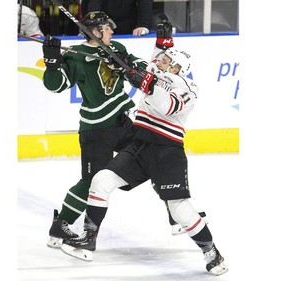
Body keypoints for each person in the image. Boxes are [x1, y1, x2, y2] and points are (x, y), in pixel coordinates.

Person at [60, 16, 228, 276]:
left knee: (180, 210)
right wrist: (162, 39)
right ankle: (89, 239)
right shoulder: (158, 72)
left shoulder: (188, 87)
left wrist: (146, 83)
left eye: (164, 60)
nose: (157, 61)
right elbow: (153, 65)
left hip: (166, 153)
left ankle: (212, 253)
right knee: (101, 179)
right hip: (138, 147)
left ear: (175, 68)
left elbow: (168, 106)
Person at [42, 11, 178, 249]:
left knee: (153, 157)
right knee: (91, 181)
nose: (112, 31)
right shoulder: (76, 56)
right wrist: (52, 63)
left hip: (122, 123)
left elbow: (141, 67)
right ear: (95, 32)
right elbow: (56, 85)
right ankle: (61, 223)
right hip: (96, 130)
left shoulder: (115, 47)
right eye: (107, 27)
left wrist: (129, 66)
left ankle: (175, 210)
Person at [83, 0, 153, 36]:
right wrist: (91, 27)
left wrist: (144, 26)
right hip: (102, 27)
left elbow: (145, 3)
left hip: (129, 27)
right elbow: (94, 5)